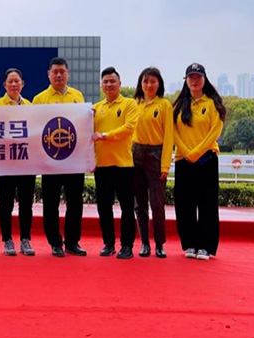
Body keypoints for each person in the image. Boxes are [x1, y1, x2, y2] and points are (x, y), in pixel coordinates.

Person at [32, 57, 87, 257]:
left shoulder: (77, 96)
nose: (58, 75)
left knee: (75, 203)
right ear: (48, 74)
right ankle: (55, 242)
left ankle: (72, 242)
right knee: (51, 204)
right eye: (54, 72)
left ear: (68, 73)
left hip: (74, 160)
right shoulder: (40, 99)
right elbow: (34, 129)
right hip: (50, 161)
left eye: (62, 71)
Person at [172, 63, 225, 261]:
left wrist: (196, 152)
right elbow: (173, 132)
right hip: (183, 159)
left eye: (198, 77)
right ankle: (190, 243)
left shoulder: (212, 104)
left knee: (207, 203)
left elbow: (214, 132)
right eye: (191, 77)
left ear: (204, 79)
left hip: (206, 158)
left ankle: (205, 245)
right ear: (186, 80)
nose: (194, 81)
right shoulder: (178, 105)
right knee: (184, 203)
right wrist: (187, 152)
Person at [92, 67, 139, 259]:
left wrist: (105, 135)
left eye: (112, 81)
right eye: (105, 82)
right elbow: (87, 135)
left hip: (123, 165)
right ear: (101, 85)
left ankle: (127, 245)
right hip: (101, 165)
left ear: (120, 84)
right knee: (104, 208)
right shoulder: (96, 109)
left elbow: (129, 128)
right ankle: (108, 243)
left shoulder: (129, 104)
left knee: (127, 208)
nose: (109, 85)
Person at [131, 67, 173, 258]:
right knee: (139, 204)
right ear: (140, 84)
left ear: (159, 84)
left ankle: (159, 244)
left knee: (157, 203)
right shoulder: (134, 104)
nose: (149, 85)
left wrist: (165, 165)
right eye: (145, 81)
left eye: (153, 81)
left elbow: (169, 137)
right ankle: (144, 243)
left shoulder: (164, 105)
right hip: (136, 155)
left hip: (156, 156)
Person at [0, 68, 36, 256]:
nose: (13, 85)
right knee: (6, 203)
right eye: (10, 82)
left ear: (22, 84)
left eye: (16, 81)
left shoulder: (30, 106)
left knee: (26, 203)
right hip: (6, 163)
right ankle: (7, 240)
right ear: (4, 85)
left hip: (26, 162)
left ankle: (25, 239)